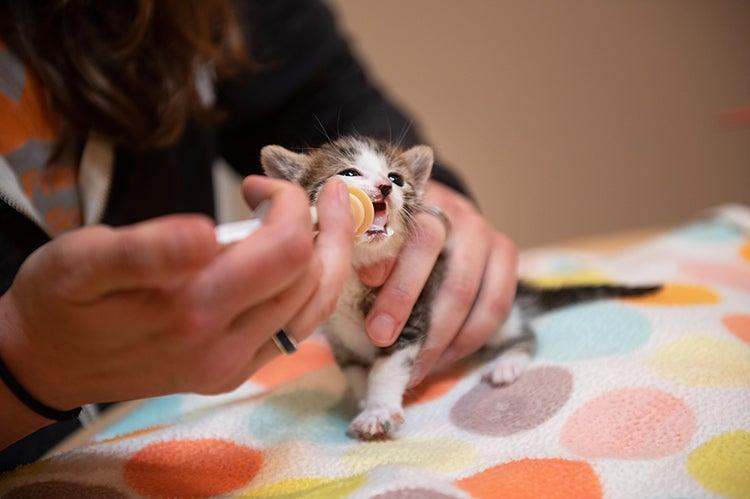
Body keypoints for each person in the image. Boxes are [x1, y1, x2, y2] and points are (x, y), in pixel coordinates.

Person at [0, 0, 517, 471]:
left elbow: (322, 91)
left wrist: (436, 199)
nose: (375, 187)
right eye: (353, 182)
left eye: (388, 182)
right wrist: (21, 370)